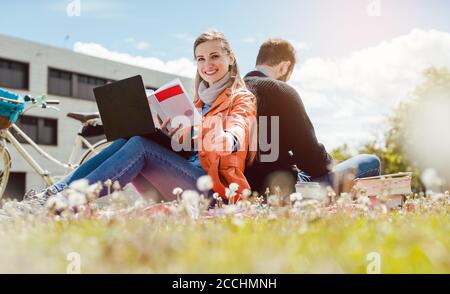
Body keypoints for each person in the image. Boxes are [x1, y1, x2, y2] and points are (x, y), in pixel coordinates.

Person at [26, 30, 256, 205]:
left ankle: (64, 202)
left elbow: (236, 132)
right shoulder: (197, 102)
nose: (207, 65)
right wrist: (167, 133)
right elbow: (187, 148)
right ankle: (53, 193)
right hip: (181, 174)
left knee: (141, 147)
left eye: (214, 56)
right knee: (132, 137)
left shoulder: (242, 98)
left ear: (231, 58)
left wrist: (204, 129)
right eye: (200, 59)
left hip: (214, 189)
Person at [244, 39, 380, 195]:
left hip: (244, 191)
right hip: (288, 189)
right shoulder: (282, 91)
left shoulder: (229, 93)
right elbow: (311, 161)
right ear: (285, 66)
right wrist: (330, 162)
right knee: (371, 162)